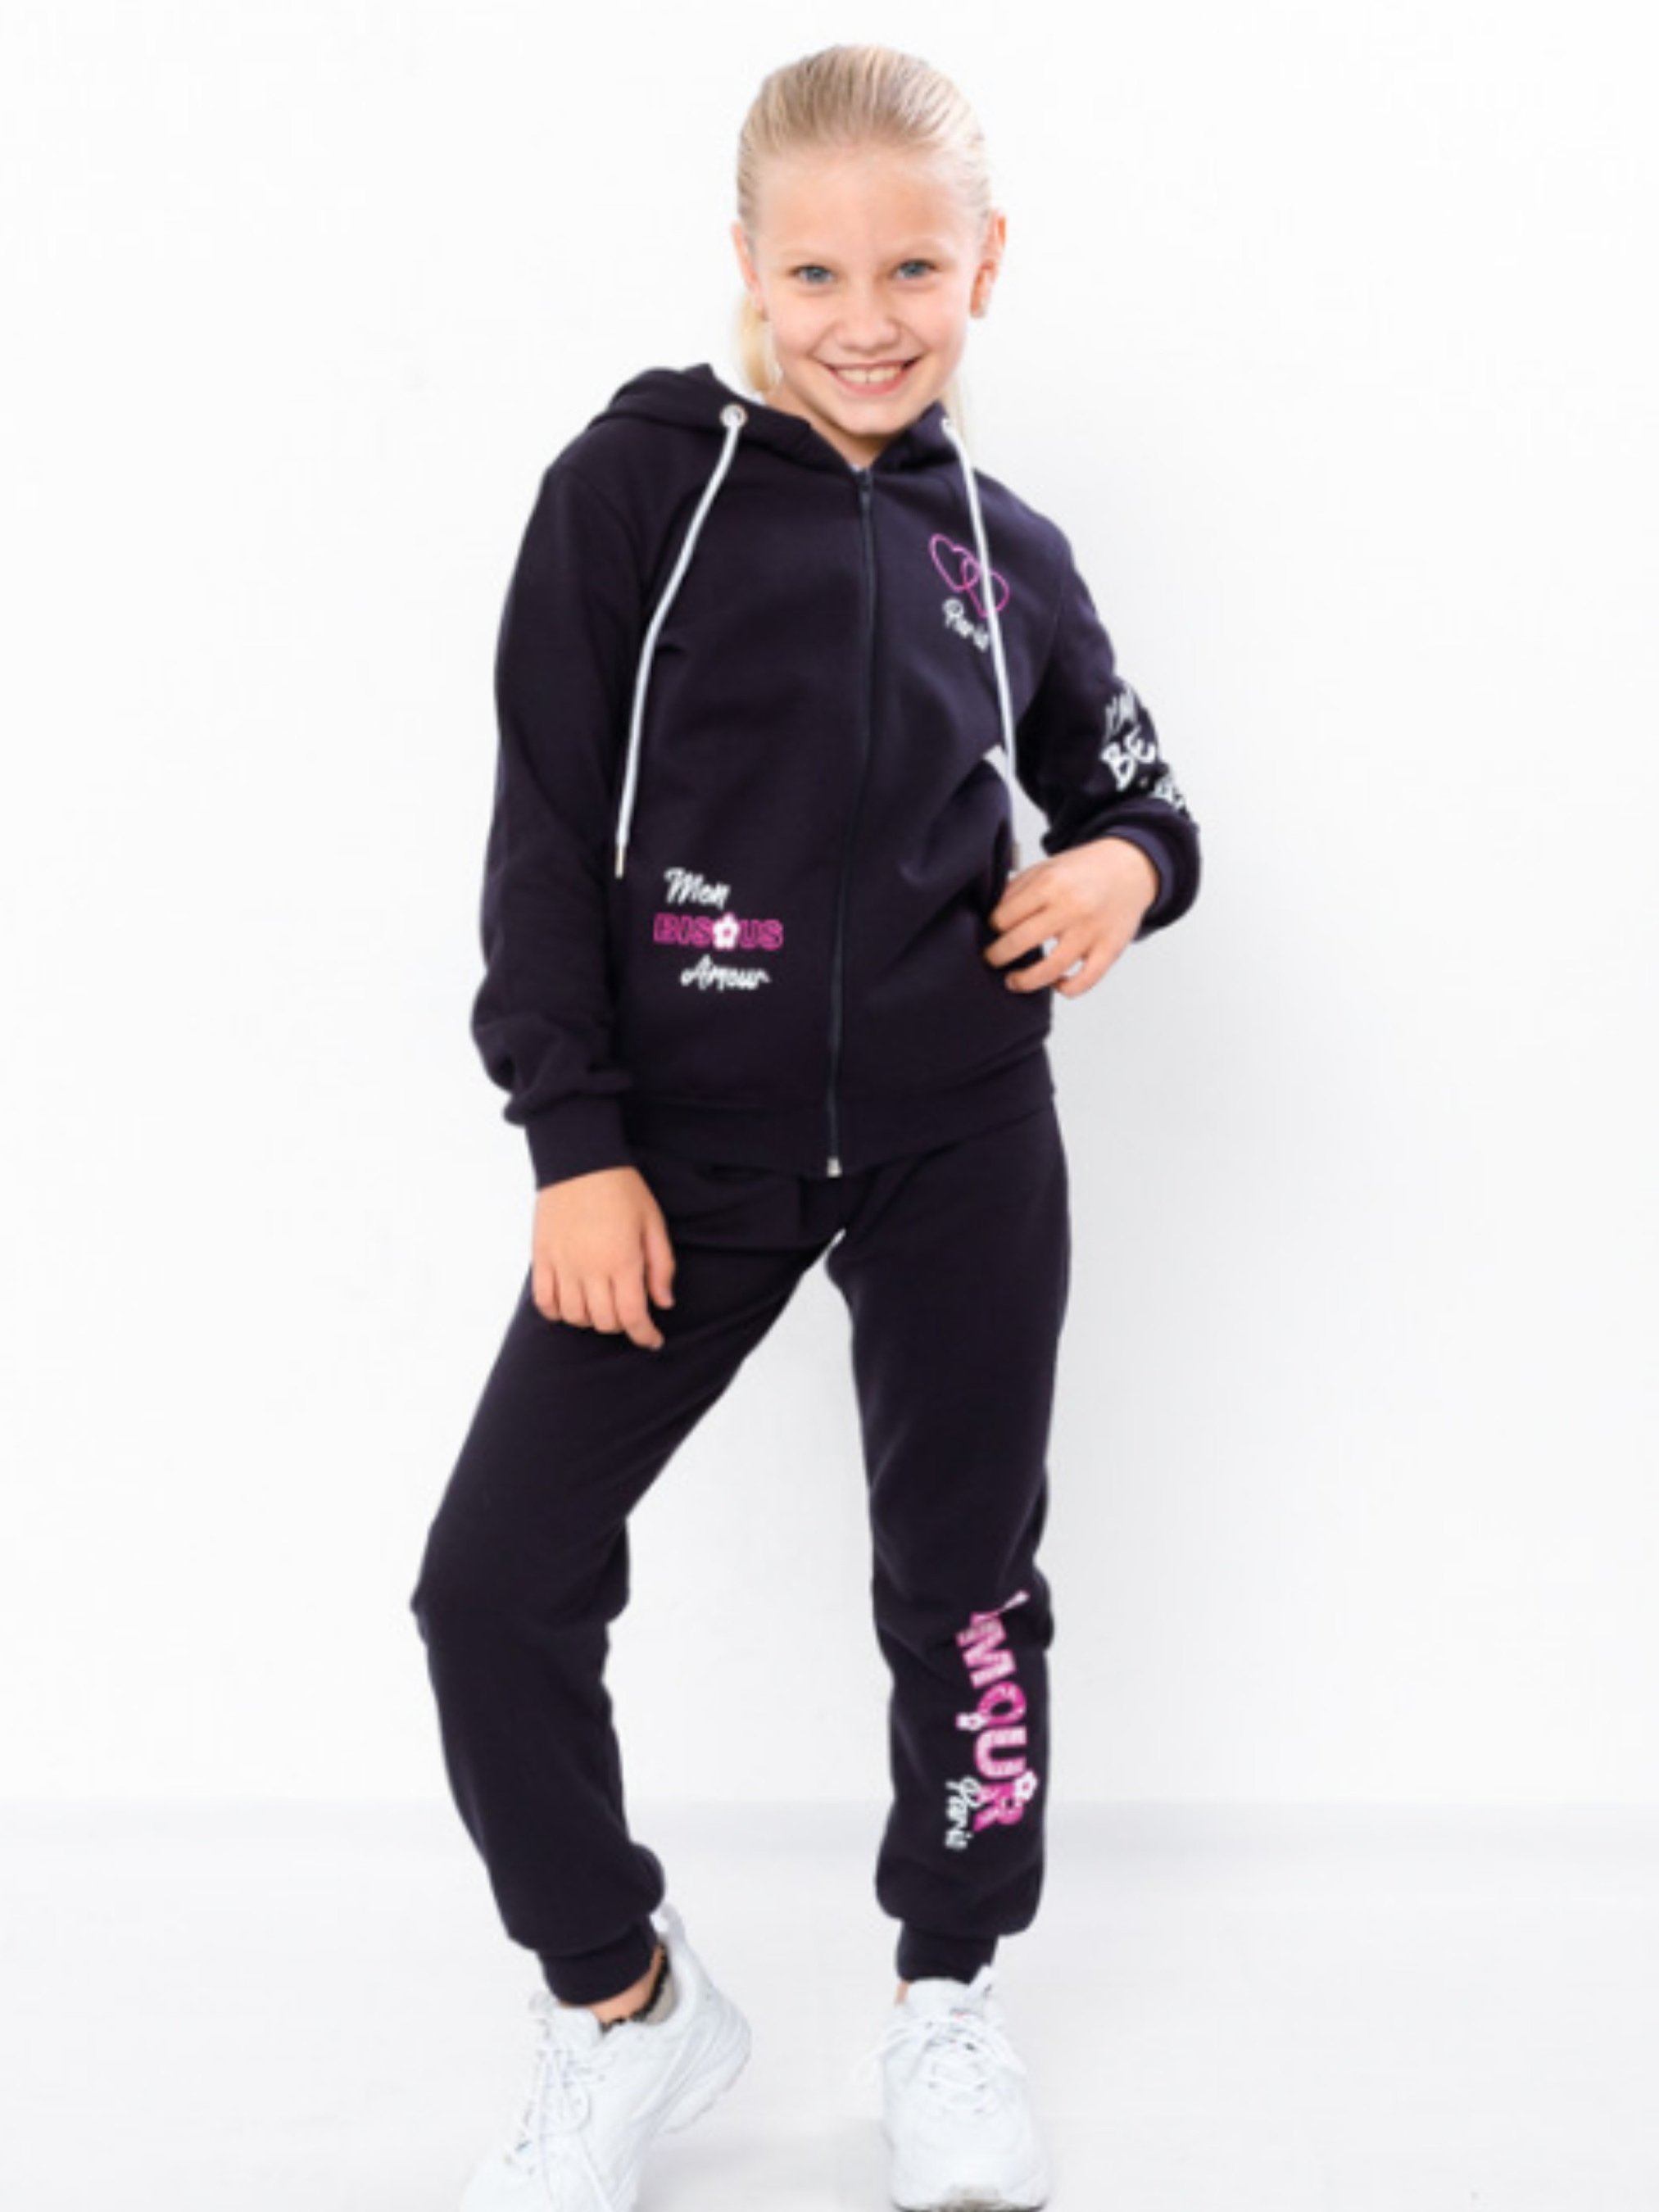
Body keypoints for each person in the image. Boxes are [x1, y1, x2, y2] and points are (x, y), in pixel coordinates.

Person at [410, 40, 1201, 2212]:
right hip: (677, 1150)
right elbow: (544, 829)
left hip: (961, 1138)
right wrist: (573, 1139)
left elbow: (1140, 795)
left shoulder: (1002, 550)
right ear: (747, 265)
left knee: (965, 1593)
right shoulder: (631, 493)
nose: (868, 317)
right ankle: (626, 2000)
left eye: (914, 269)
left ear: (985, 265)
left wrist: (1120, 868)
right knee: (493, 1586)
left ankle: (947, 1994)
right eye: (821, 271)